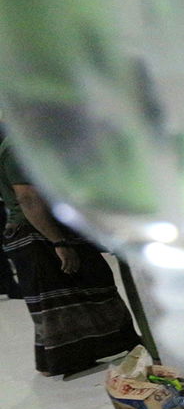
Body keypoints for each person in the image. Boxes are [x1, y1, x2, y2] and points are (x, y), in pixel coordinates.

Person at [0, 133, 140, 377]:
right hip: (37, 231)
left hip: (53, 227)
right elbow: (28, 197)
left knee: (92, 284)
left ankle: (107, 344)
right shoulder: (18, 146)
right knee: (57, 301)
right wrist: (59, 242)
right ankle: (66, 358)